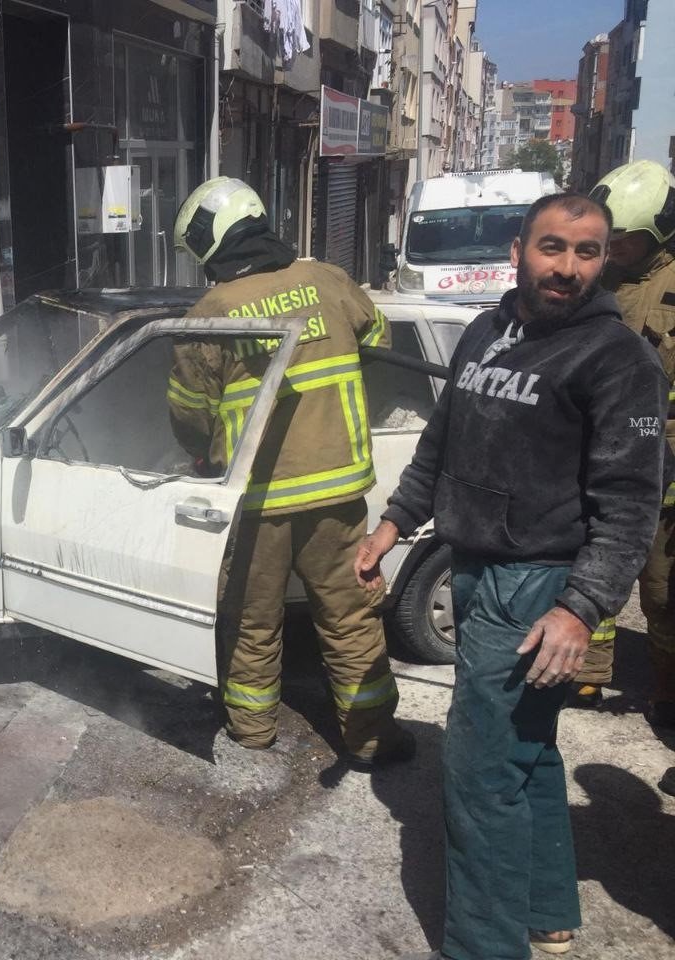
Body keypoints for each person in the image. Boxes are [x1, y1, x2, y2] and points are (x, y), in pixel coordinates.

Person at [355, 193, 667, 960]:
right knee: (528, 750)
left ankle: (484, 946)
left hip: (535, 586)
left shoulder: (617, 359)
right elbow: (441, 442)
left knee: (478, 775)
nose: (568, 267)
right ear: (519, 251)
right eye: (553, 247)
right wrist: (393, 524)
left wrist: (581, 608)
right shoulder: (485, 333)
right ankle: (545, 908)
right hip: (473, 568)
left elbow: (630, 504)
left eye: (587, 252)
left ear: (603, 261)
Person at [168, 176, 415, 767]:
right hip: (337, 490)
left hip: (258, 502)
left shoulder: (210, 312)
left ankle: (252, 729)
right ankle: (372, 739)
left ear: (213, 244)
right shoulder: (328, 280)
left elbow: (190, 412)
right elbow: (378, 344)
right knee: (351, 617)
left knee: (252, 619)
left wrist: (201, 453)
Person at [570, 160, 675, 726]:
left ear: (659, 231)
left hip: (664, 462)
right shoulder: (599, 281)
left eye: (626, 239)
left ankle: (666, 692)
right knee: (594, 563)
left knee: (661, 590)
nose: (614, 249)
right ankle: (587, 674)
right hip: (601, 450)